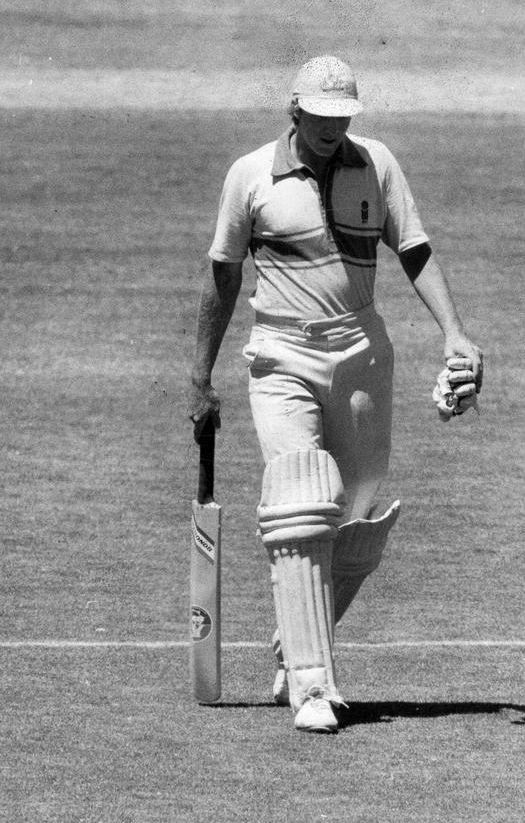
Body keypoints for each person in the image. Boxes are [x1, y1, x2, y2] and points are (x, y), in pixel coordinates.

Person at [188, 55, 483, 733]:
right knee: (302, 498)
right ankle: (314, 687)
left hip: (360, 349)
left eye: (341, 116)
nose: (330, 127)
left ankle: (296, 649)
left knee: (355, 514)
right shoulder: (251, 176)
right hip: (281, 351)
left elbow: (413, 248)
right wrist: (199, 374)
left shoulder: (375, 164)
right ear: (294, 109)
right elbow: (223, 275)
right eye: (319, 116)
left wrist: (455, 335)